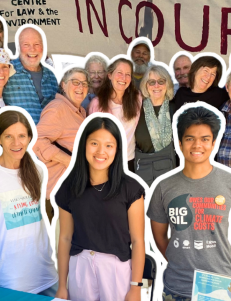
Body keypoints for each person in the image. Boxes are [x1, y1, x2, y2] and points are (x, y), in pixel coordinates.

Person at [149, 106, 231, 301]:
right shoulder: (164, 187)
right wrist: (179, 259)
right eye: (190, 138)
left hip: (219, 286)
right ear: (180, 143)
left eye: (205, 139)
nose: (197, 145)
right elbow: (160, 237)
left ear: (213, 143)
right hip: (177, 286)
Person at [54, 116, 146, 301]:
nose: (100, 152)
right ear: (84, 145)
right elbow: (65, 237)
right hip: (80, 267)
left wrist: (136, 287)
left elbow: (138, 241)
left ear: (117, 150)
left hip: (116, 270)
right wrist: (62, 285)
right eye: (94, 143)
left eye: (109, 145)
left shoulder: (130, 188)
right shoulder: (69, 187)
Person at [0, 109, 58, 295]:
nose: (16, 143)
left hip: (45, 275)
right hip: (10, 280)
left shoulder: (37, 171)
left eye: (22, 136)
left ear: (29, 137)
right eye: (8, 136)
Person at [34, 67, 89, 197]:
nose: (80, 87)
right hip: (59, 190)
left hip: (73, 187)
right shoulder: (58, 108)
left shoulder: (80, 111)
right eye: (75, 82)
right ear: (63, 85)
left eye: (85, 83)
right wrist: (70, 162)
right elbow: (37, 141)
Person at [132, 64, 178, 185]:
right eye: (151, 82)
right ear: (146, 86)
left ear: (167, 84)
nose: (156, 86)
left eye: (161, 81)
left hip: (169, 171)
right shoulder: (137, 108)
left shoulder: (175, 109)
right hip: (143, 170)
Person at [89, 58, 141, 163]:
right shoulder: (97, 104)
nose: (123, 78)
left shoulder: (136, 99)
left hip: (129, 160)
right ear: (110, 75)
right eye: (119, 73)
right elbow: (91, 136)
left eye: (128, 74)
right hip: (105, 161)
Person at [5, 27, 59, 123]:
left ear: (43, 47)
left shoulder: (51, 76)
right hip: (19, 136)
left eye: (37, 44)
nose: (32, 49)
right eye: (26, 45)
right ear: (19, 47)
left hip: (48, 136)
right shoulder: (7, 71)